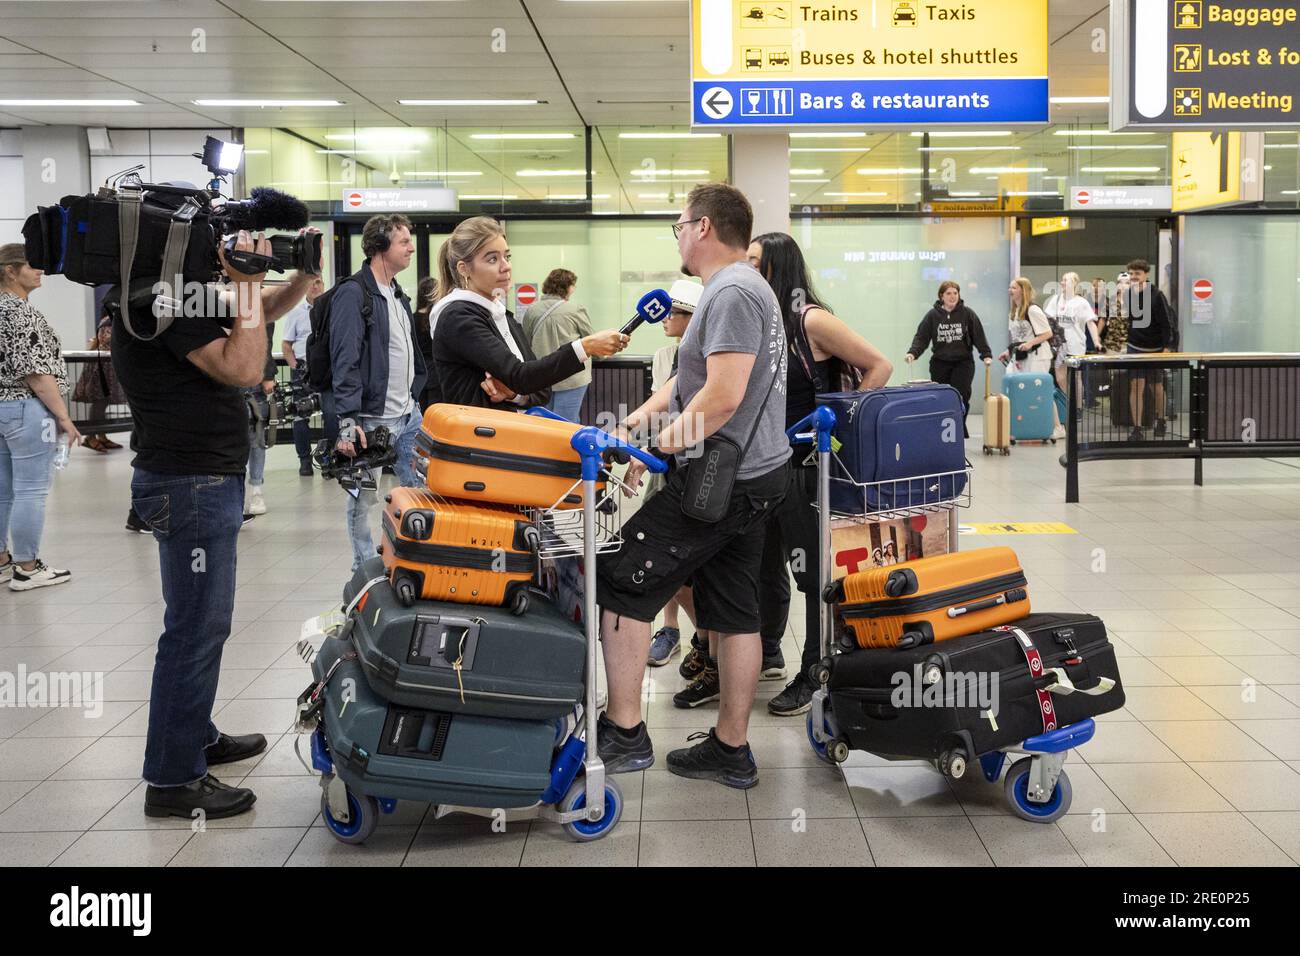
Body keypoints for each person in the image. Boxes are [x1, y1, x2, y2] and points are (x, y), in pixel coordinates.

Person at [112, 229, 317, 819]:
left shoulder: (166, 295)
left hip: (198, 479)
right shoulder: (158, 301)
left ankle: (194, 735)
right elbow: (247, 366)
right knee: (195, 630)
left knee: (199, 626)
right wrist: (249, 283)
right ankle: (173, 779)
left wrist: (297, 277)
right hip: (189, 482)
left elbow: (257, 312)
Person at [596, 183, 790, 790]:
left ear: (702, 227)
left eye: (679, 224)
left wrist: (655, 450)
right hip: (755, 475)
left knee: (621, 577)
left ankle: (624, 732)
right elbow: (687, 383)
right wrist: (635, 426)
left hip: (720, 480)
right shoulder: (738, 289)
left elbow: (722, 397)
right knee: (734, 611)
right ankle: (732, 749)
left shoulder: (732, 290)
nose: (677, 234)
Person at [745, 231, 892, 718]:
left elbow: (878, 365)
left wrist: (842, 423)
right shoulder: (765, 321)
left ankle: (815, 669)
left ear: (778, 269)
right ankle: (768, 650)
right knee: (764, 563)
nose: (747, 271)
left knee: (811, 576)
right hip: (766, 463)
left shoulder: (810, 319)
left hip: (806, 467)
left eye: (755, 262)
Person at [429, 217, 627, 411]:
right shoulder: (458, 317)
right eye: (492, 259)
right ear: (464, 269)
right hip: (475, 439)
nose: (506, 266)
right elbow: (521, 376)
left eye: (507, 256)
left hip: (504, 436)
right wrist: (585, 346)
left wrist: (513, 394)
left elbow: (541, 391)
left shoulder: (501, 315)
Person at [329, 214, 428, 572]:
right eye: (403, 242)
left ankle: (417, 556)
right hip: (371, 417)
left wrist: (416, 390)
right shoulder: (354, 293)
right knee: (363, 498)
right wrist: (347, 419)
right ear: (381, 246)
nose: (411, 247)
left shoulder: (398, 293)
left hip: (408, 414)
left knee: (420, 487)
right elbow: (345, 357)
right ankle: (364, 566)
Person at [0, 243, 80, 591]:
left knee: (3, 490)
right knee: (32, 490)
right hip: (26, 409)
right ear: (10, 271)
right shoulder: (19, 312)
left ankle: (2, 560)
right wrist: (63, 416)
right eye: (32, 266)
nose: (40, 271)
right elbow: (36, 373)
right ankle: (27, 567)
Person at [646, 279, 703, 669]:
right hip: (662, 457)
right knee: (659, 546)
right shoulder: (663, 355)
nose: (667, 317)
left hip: (699, 460)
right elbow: (658, 406)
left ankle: (706, 634)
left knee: (693, 554)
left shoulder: (708, 355)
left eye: (677, 311)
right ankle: (670, 628)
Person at [905, 280, 992, 437]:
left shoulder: (967, 314)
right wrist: (913, 353)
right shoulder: (932, 315)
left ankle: (959, 427)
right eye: (948, 293)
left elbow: (978, 336)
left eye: (955, 293)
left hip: (963, 363)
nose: (952, 296)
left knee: (961, 395)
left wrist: (985, 355)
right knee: (941, 397)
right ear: (941, 296)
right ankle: (943, 431)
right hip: (940, 363)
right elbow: (922, 337)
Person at [521, 268, 595, 422]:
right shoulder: (575, 309)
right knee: (568, 423)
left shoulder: (532, 310)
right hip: (572, 378)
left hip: (541, 378)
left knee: (544, 422)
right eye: (573, 285)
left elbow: (525, 343)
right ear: (567, 287)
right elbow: (591, 340)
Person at [280, 274, 333, 476]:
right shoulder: (296, 312)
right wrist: (295, 366)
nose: (314, 286)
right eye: (311, 282)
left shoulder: (332, 309)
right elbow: (286, 345)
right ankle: (304, 460)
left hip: (326, 372)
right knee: (299, 417)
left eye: (318, 281)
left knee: (331, 416)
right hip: (302, 370)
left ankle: (328, 459)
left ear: (323, 284)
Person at [1122, 258, 1179, 441]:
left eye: (1137, 273)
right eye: (1131, 274)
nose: (1133, 277)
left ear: (1146, 275)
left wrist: (1168, 346)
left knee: (1156, 385)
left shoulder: (1157, 295)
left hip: (1155, 348)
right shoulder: (1128, 294)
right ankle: (1137, 427)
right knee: (1136, 385)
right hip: (1134, 346)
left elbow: (1166, 323)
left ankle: (1161, 420)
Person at [1046, 272, 1101, 420]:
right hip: (1059, 346)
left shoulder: (1081, 303)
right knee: (1060, 377)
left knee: (1076, 377)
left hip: (1076, 344)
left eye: (1066, 280)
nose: (1063, 282)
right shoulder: (1055, 300)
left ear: (1075, 283)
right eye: (1062, 279)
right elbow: (1048, 321)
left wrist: (1096, 341)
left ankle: (1077, 408)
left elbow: (1091, 323)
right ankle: (1067, 404)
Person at [75, 316, 126, 453]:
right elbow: (106, 340)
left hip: (107, 366)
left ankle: (101, 436)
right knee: (99, 401)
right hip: (101, 366)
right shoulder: (109, 321)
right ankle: (90, 437)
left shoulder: (113, 320)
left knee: (103, 402)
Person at [412, 277, 441, 409]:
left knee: (422, 414)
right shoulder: (437, 317)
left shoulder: (411, 318)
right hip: (436, 371)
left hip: (418, 372)